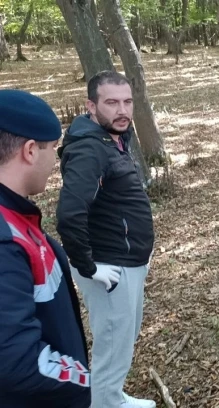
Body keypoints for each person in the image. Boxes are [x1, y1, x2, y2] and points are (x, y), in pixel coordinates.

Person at [56, 71, 156, 408]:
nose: (122, 110)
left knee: (122, 339)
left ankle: (113, 398)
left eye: (127, 101)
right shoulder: (90, 149)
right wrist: (89, 266)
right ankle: (105, 403)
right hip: (110, 267)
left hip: (126, 261)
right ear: (91, 106)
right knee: (112, 346)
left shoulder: (113, 138)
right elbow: (70, 214)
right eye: (111, 102)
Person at [0, 89, 91, 407]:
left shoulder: (15, 216)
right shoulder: (6, 239)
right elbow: (15, 361)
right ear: (29, 151)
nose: (56, 159)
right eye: (53, 148)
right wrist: (82, 380)